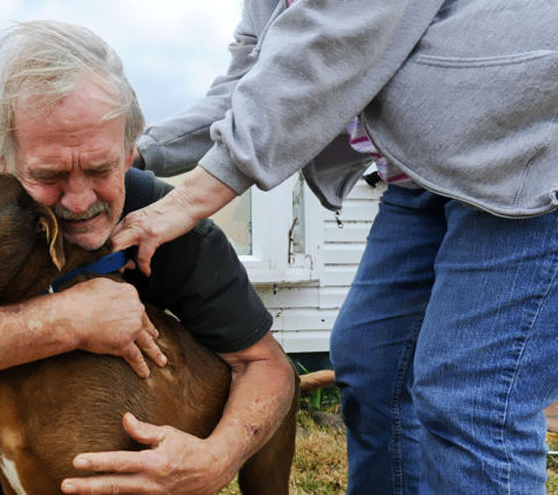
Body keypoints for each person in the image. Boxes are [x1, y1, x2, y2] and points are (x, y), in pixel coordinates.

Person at [110, 0, 558, 494]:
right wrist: (131, 153)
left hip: (527, 158)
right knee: (373, 365)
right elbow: (251, 84)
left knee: (471, 395)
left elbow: (335, 36)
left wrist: (195, 195)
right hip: (424, 179)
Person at [0, 20, 297, 495]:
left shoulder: (171, 221)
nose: (77, 199)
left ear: (129, 152)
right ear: (4, 161)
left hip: (133, 399)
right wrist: (69, 317)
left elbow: (266, 365)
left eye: (99, 167)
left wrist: (215, 460)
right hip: (13, 399)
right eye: (48, 174)